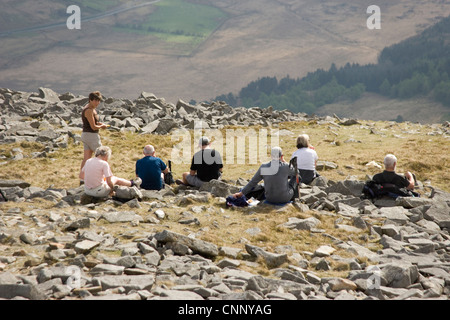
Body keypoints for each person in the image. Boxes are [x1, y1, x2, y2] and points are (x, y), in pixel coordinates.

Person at [232, 147, 298, 204]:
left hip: (269, 198)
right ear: (281, 156)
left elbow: (253, 182)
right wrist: (285, 162)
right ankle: (295, 199)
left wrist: (241, 194)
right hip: (284, 198)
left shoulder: (263, 167)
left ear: (271, 156)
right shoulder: (286, 166)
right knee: (296, 177)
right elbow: (297, 172)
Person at [79, 91, 109, 185]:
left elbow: (92, 123)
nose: (97, 103)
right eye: (95, 100)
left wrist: (98, 124)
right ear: (90, 100)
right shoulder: (89, 110)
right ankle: (103, 178)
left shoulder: (91, 109)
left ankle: (82, 179)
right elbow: (93, 127)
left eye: (98, 101)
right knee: (102, 156)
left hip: (86, 135)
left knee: (87, 158)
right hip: (91, 135)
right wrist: (102, 126)